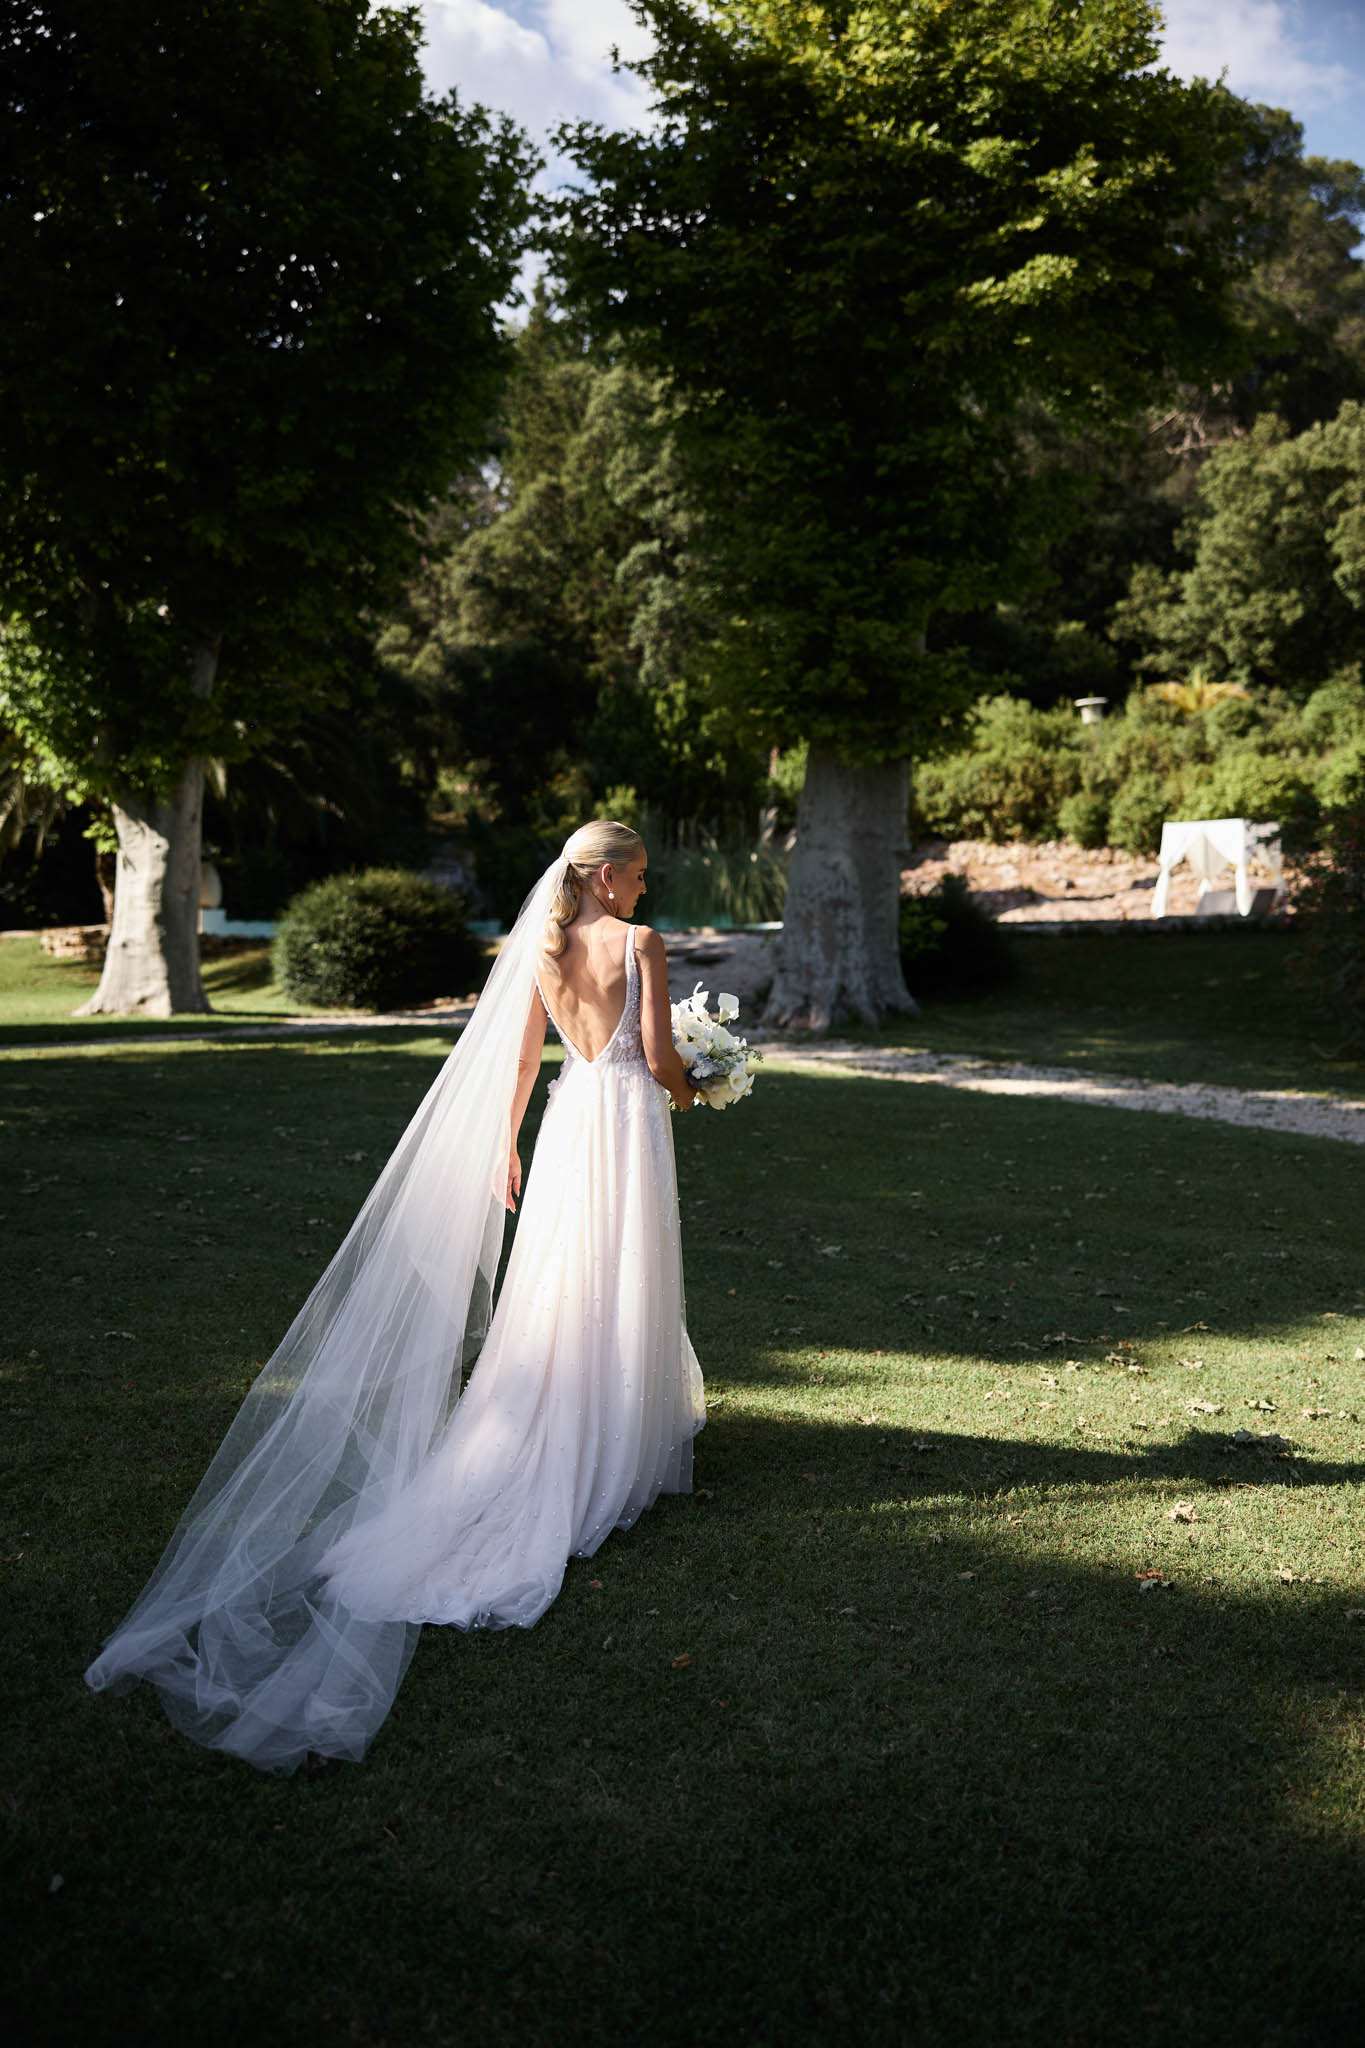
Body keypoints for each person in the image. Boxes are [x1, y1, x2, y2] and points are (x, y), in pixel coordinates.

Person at [84, 821, 706, 1773]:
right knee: (617, 1270)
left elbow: (519, 1059)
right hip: (625, 1122)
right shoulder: (639, 945)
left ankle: (563, 1414)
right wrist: (704, 1083)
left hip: (571, 1123)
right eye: (639, 874)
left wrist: (505, 1144)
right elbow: (658, 1058)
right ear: (608, 875)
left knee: (561, 1280)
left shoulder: (539, 944)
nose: (644, 889)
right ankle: (605, 1439)